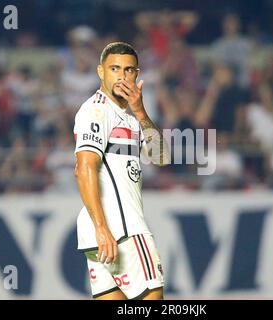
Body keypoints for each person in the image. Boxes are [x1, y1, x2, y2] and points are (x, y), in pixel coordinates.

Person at [73, 42, 169, 300]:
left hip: (102, 234)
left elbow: (161, 158)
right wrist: (102, 227)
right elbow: (84, 168)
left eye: (129, 70)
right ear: (100, 72)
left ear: (137, 74)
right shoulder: (97, 110)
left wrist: (140, 111)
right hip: (123, 229)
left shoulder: (129, 116)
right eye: (115, 69)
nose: (122, 76)